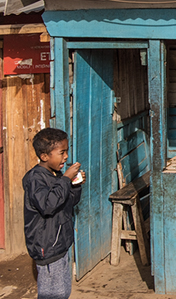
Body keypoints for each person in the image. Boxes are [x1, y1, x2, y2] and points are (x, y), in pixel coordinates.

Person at [23, 127, 85, 299]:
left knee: (63, 291)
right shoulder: (36, 179)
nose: (66, 156)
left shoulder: (56, 175)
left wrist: (74, 184)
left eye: (66, 151)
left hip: (60, 244)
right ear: (44, 156)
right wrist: (66, 179)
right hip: (47, 247)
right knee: (53, 293)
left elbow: (70, 202)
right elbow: (48, 205)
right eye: (61, 152)